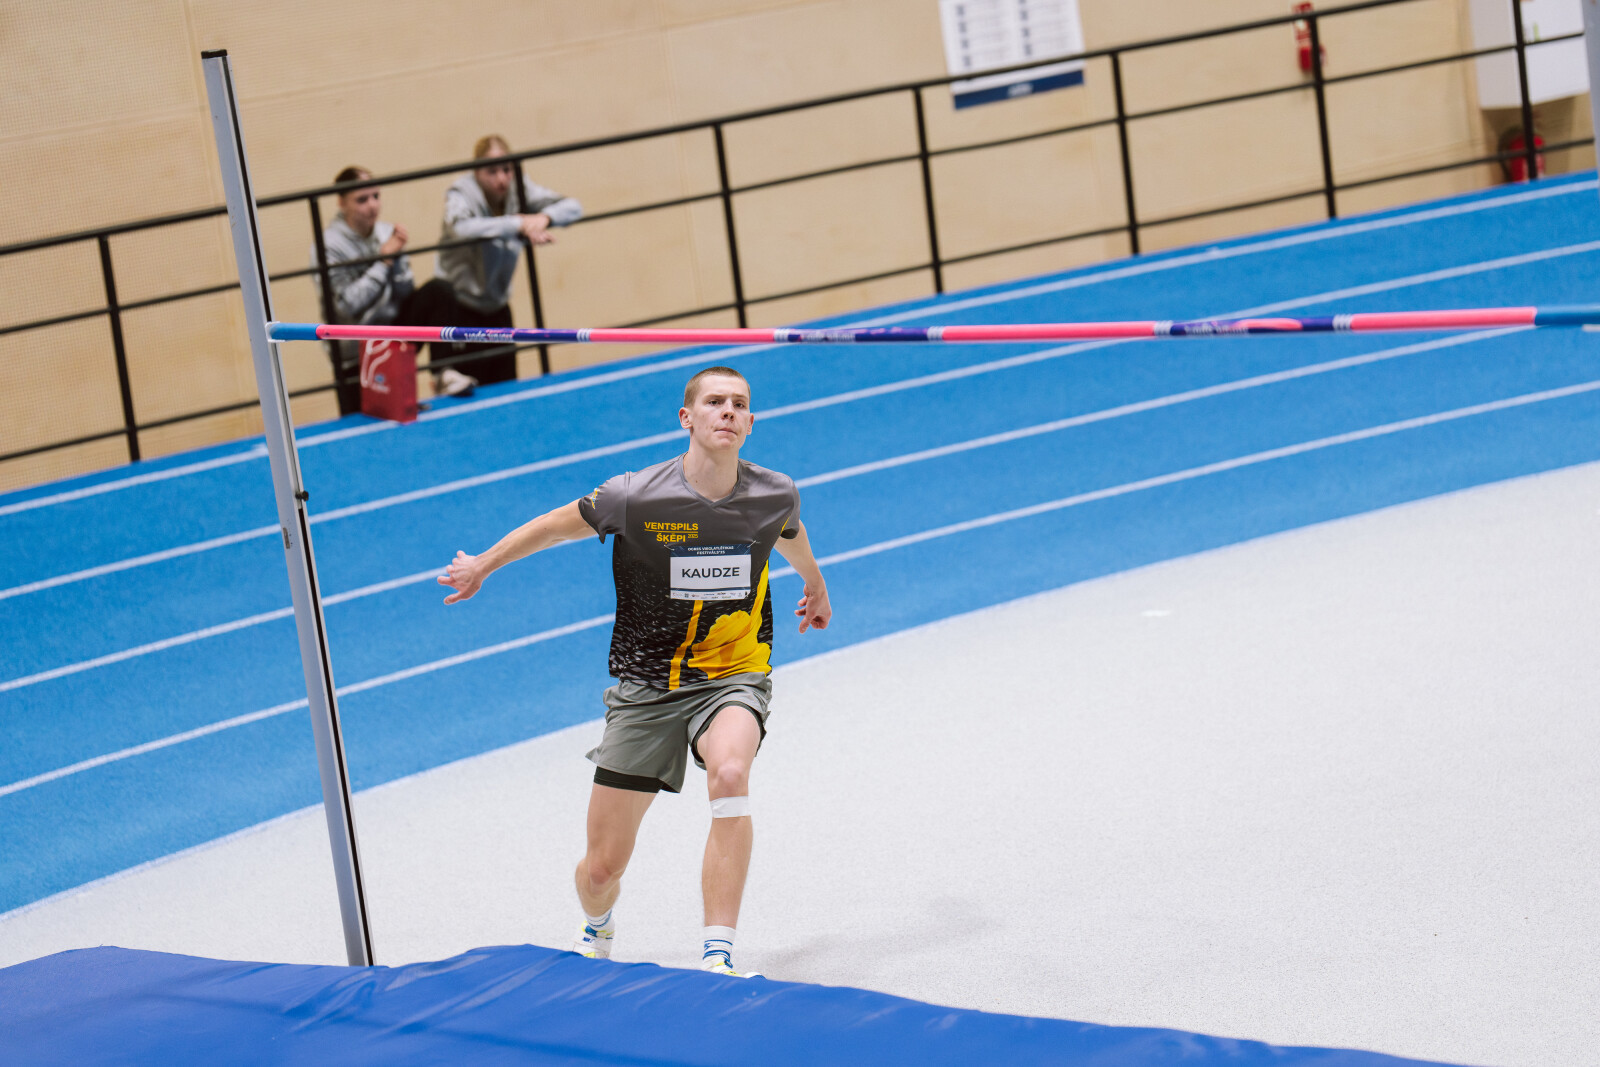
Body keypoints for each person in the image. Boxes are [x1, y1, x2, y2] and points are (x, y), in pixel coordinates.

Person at [437, 366, 832, 978]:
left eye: (739, 404)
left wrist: (815, 583)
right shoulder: (635, 495)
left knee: (730, 772)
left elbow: (790, 533)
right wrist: (484, 565)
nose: (728, 411)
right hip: (646, 688)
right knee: (600, 870)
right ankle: (598, 922)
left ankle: (718, 954)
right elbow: (553, 526)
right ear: (687, 418)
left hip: (732, 674)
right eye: (715, 402)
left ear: (751, 423)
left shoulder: (774, 491)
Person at [315, 166, 477, 413]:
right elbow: (347, 308)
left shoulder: (386, 232)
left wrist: (398, 260)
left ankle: (443, 373)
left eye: (376, 196)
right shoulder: (328, 246)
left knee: (439, 290)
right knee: (368, 423)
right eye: (362, 199)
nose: (372, 206)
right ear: (341, 202)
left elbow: (405, 293)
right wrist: (384, 262)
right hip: (356, 348)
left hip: (392, 333)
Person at [435, 135, 582, 388]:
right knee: (467, 394)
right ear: (476, 172)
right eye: (492, 171)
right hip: (461, 308)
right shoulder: (460, 193)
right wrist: (517, 224)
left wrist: (543, 218)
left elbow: (574, 207)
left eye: (506, 169)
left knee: (506, 389)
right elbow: (460, 228)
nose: (502, 178)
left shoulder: (518, 187)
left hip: (498, 306)